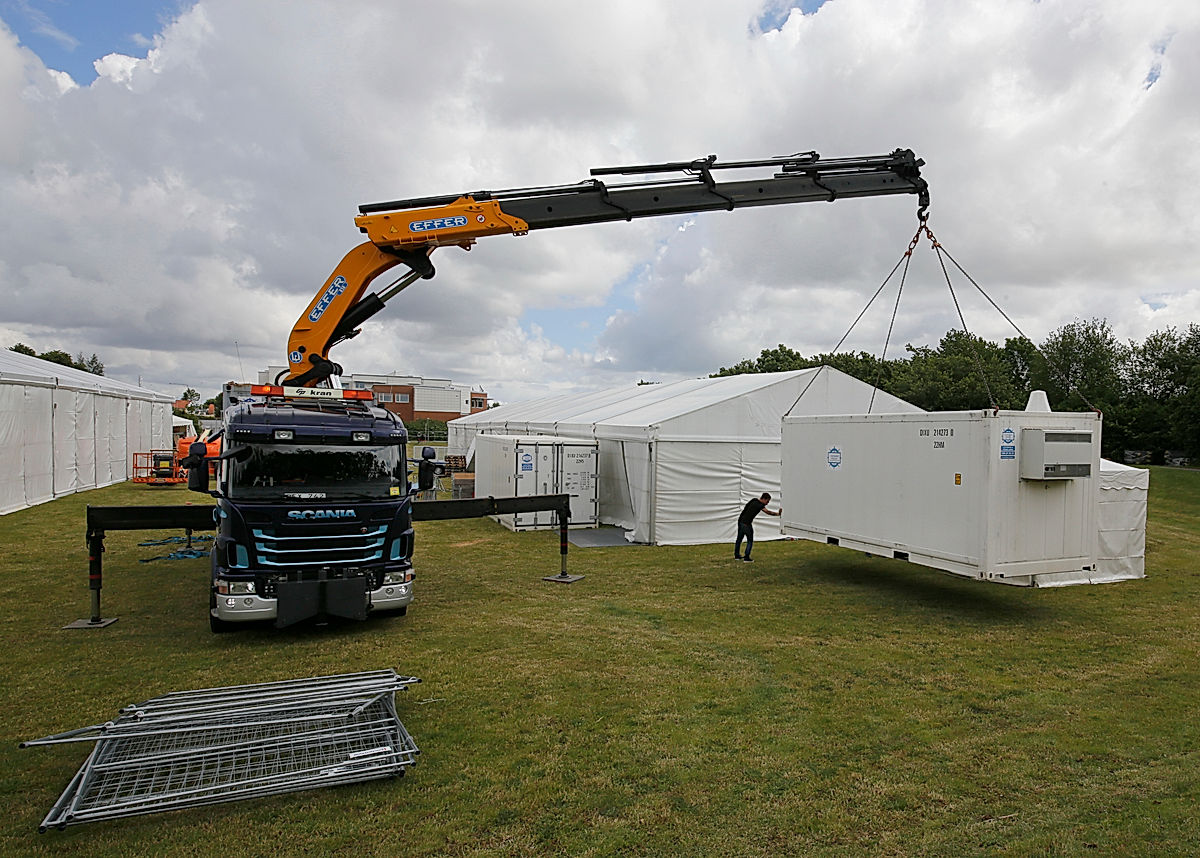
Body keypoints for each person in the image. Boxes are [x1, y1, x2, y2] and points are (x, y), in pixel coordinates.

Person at [735, 492, 780, 562]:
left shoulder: (754, 500)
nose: (767, 503)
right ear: (764, 499)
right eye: (767, 501)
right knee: (750, 540)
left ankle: (737, 556)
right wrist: (778, 514)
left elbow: (746, 508)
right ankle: (746, 558)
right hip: (747, 524)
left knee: (739, 539)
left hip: (741, 522)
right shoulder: (760, 505)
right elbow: (768, 512)